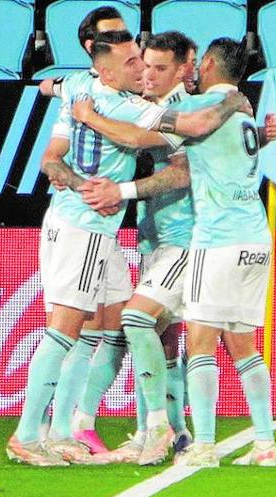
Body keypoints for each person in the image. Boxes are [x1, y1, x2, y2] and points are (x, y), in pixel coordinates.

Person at [71, 39, 276, 467]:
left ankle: (199, 443)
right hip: (254, 237)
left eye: (159, 67)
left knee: (199, 344)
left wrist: (91, 116)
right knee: (242, 347)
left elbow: (164, 133)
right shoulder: (238, 110)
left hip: (214, 239)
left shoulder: (200, 108)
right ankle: (263, 443)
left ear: (200, 63)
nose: (148, 75)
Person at [72, 31, 199, 466]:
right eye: (145, 65)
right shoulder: (154, 109)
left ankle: (159, 428)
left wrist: (121, 189)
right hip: (154, 238)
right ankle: (168, 433)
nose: (147, 74)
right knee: (163, 342)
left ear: (184, 68)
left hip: (185, 241)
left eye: (160, 68)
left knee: (135, 318)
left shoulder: (184, 112)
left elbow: (180, 174)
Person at [36, 6, 134, 455]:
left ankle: (76, 422)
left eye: (127, 36)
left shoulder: (76, 88)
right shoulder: (88, 92)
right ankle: (39, 430)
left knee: (110, 324)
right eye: (112, 38)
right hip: (81, 222)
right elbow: (51, 157)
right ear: (94, 51)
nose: (127, 44)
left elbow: (48, 84)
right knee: (69, 324)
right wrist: (79, 183)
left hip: (106, 229)